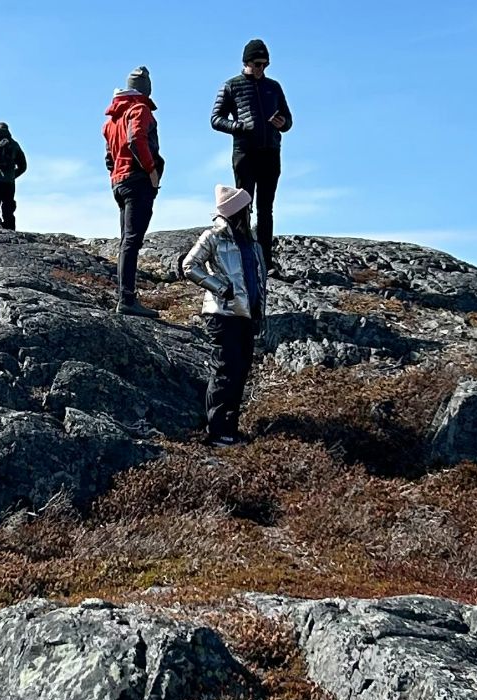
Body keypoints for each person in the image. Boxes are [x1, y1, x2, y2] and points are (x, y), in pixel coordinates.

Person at [181, 186, 267, 447]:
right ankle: (217, 432)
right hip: (221, 315)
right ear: (237, 211)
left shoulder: (251, 242)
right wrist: (219, 287)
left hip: (246, 315)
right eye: (246, 208)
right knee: (225, 372)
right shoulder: (213, 237)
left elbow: (259, 281)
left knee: (240, 372)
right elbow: (188, 265)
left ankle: (230, 429)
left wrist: (259, 314)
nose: (250, 212)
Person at [210, 39, 293, 269]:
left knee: (267, 209)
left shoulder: (274, 87)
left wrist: (283, 122)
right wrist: (238, 127)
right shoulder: (231, 86)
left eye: (265, 65)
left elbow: (289, 120)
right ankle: (243, 257)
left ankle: (265, 261)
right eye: (258, 64)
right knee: (242, 206)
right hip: (245, 153)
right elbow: (215, 119)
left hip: (271, 152)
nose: (261, 69)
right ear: (246, 62)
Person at [104, 66, 163, 319]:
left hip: (119, 182)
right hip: (137, 180)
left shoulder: (113, 119)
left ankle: (125, 296)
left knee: (126, 240)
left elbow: (109, 157)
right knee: (132, 241)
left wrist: (115, 174)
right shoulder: (140, 109)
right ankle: (127, 299)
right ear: (145, 88)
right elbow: (136, 139)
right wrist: (151, 170)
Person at [0, 122, 28, 232]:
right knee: (8, 209)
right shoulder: (14, 144)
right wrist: (12, 176)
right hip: (8, 182)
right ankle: (10, 230)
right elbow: (23, 166)